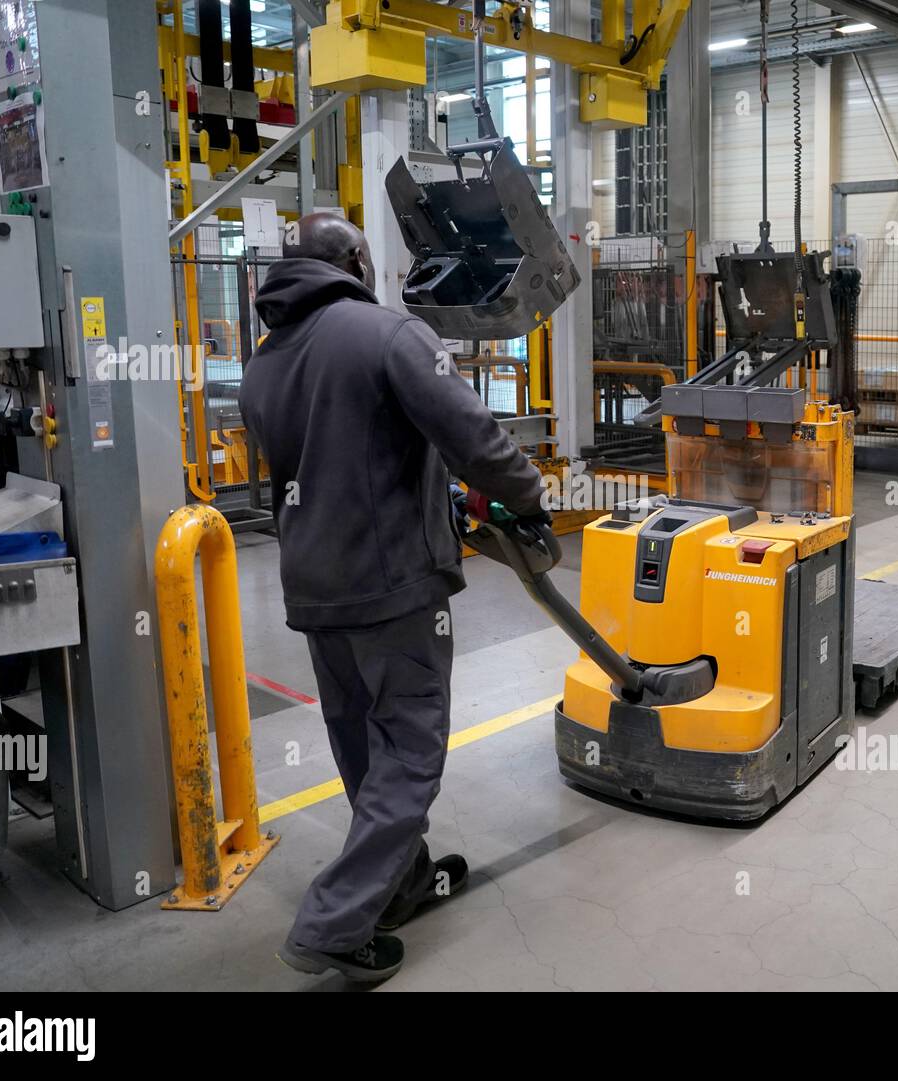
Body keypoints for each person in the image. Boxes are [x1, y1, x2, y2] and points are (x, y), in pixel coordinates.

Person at [239, 213, 546, 982]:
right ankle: (331, 924)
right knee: (409, 753)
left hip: (312, 589)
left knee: (362, 746)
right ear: (355, 261)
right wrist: (529, 495)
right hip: (392, 588)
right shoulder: (386, 333)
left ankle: (399, 880)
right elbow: (471, 433)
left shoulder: (263, 363)